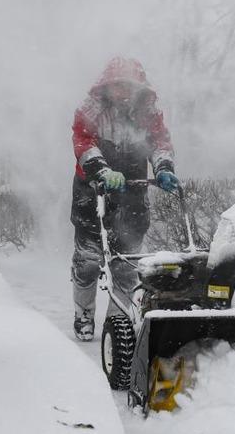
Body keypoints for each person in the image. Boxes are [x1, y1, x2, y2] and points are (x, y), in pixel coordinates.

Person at [69, 56, 180, 341]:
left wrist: (164, 167)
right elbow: (82, 141)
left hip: (133, 189)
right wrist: (102, 169)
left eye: (128, 86)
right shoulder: (92, 109)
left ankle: (116, 324)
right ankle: (83, 313)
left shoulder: (148, 112)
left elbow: (160, 142)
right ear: (106, 86)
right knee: (89, 259)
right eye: (117, 86)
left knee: (127, 260)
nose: (123, 92)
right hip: (91, 187)